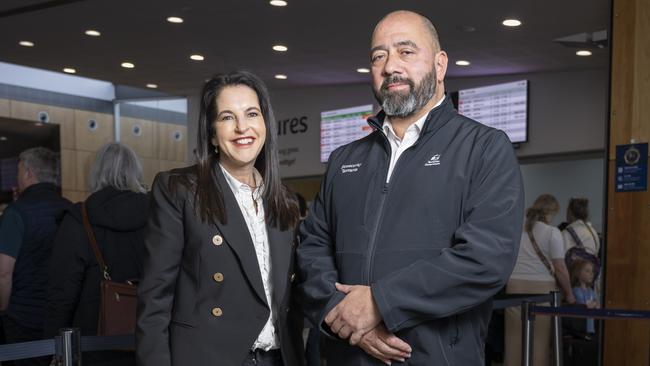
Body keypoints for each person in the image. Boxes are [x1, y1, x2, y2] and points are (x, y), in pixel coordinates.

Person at [296, 10, 524, 365]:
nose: (390, 66)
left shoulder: (484, 148)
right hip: (347, 355)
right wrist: (340, 314)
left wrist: (378, 303)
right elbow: (312, 249)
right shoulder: (344, 160)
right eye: (378, 56)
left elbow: (485, 259)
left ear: (440, 64)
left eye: (406, 51)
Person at [136, 71, 303, 366]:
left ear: (265, 124)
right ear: (212, 133)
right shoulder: (179, 190)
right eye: (227, 117)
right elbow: (155, 300)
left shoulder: (284, 201)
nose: (242, 127)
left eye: (252, 114)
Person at [44, 142, 148, 365]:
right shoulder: (161, 214)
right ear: (135, 172)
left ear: (96, 172)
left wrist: (51, 347)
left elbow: (62, 291)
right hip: (150, 336)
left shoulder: (79, 218)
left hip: (93, 341)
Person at [0, 147, 71, 366]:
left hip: (21, 319)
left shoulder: (16, 213)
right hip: (61, 316)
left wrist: (2, 310)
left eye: (19, 171)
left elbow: (3, 273)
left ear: (29, 173)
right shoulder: (71, 210)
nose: (17, 177)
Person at [505, 194, 575, 366]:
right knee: (540, 342)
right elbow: (560, 268)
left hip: (513, 288)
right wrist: (570, 293)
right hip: (542, 291)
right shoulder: (553, 233)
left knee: (513, 340)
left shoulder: (516, 230)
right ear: (551, 213)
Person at [570, 259, 599, 334]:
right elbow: (583, 306)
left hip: (591, 328)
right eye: (587, 271)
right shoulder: (576, 290)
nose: (591, 274)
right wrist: (593, 304)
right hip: (581, 328)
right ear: (578, 273)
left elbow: (597, 305)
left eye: (592, 271)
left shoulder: (591, 291)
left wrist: (595, 304)